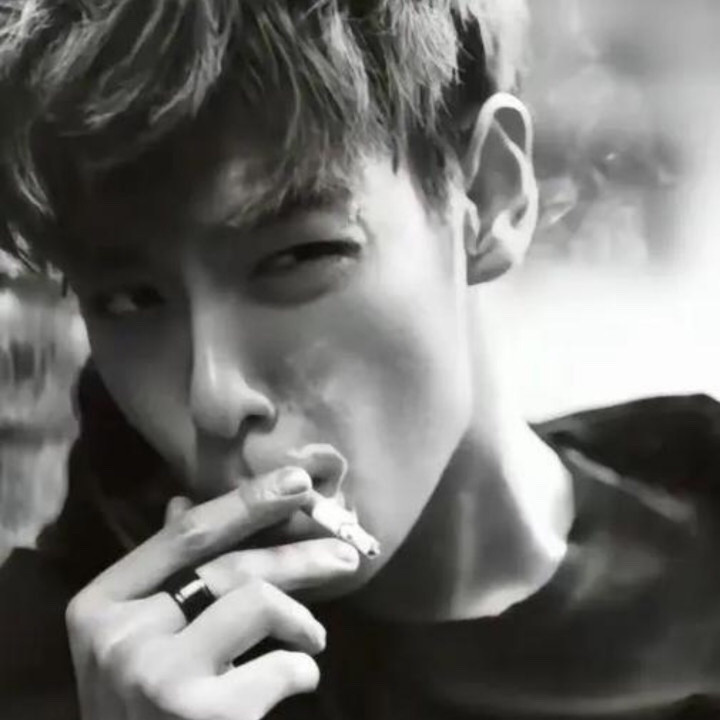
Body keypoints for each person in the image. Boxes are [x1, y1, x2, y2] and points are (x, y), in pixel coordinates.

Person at [2, 1, 720, 718]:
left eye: (299, 256)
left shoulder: (698, 533)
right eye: (128, 299)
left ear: (488, 194)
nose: (213, 397)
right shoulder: (55, 664)